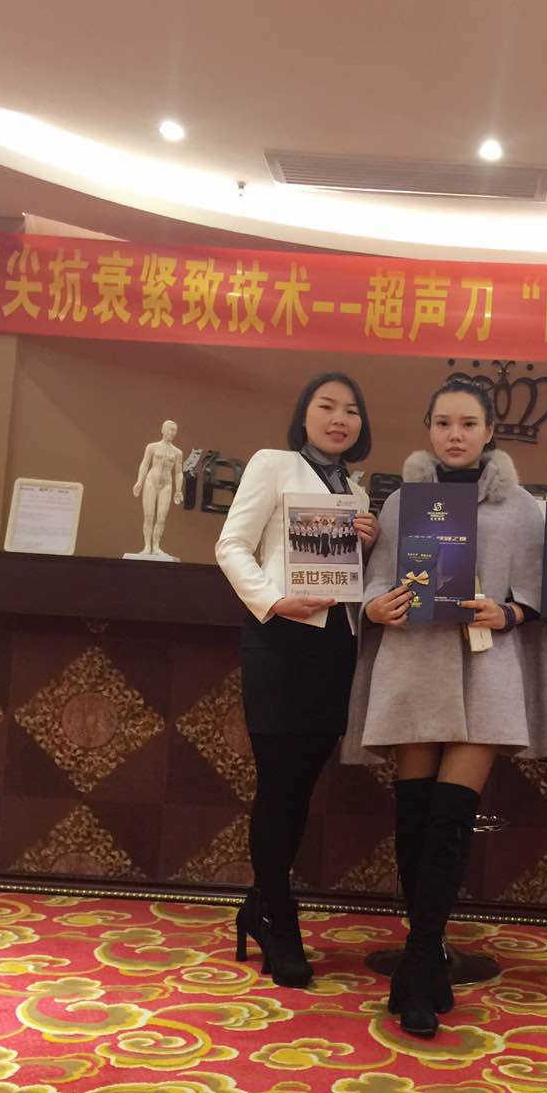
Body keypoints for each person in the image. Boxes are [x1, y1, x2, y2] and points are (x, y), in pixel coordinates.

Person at [343, 376, 547, 1038]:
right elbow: (376, 579)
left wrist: (509, 610)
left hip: (488, 671)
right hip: (414, 665)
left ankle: (417, 961)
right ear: (429, 429)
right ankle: (428, 956)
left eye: (468, 423)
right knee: (413, 818)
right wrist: (376, 606)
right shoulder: (403, 502)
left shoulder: (523, 508)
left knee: (449, 818)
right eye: (443, 423)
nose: (455, 435)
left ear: (490, 430)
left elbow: (544, 594)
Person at [215, 372, 378, 988]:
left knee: (302, 784)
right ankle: (277, 915)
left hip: (335, 646)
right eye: (326, 406)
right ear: (304, 415)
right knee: (279, 784)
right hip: (281, 639)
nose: (339, 419)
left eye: (351, 410)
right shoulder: (273, 464)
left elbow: (346, 578)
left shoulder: (355, 492)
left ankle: (261, 904)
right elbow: (232, 545)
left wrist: (370, 544)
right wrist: (274, 600)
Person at [132, 420, 184, 557]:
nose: (172, 432)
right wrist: (139, 482)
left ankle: (156, 546)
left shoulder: (177, 452)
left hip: (166, 484)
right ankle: (147, 546)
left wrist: (178, 490)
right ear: (162, 430)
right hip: (151, 482)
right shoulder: (152, 447)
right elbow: (145, 464)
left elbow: (179, 472)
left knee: (161, 517)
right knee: (149, 516)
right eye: (169, 429)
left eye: (174, 430)